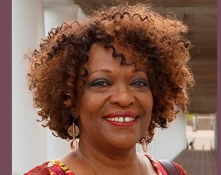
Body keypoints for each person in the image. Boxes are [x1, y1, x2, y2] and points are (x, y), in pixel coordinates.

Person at [24, 3, 194, 175]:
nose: (124, 98)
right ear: (71, 100)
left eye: (139, 83)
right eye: (101, 83)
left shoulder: (173, 172)